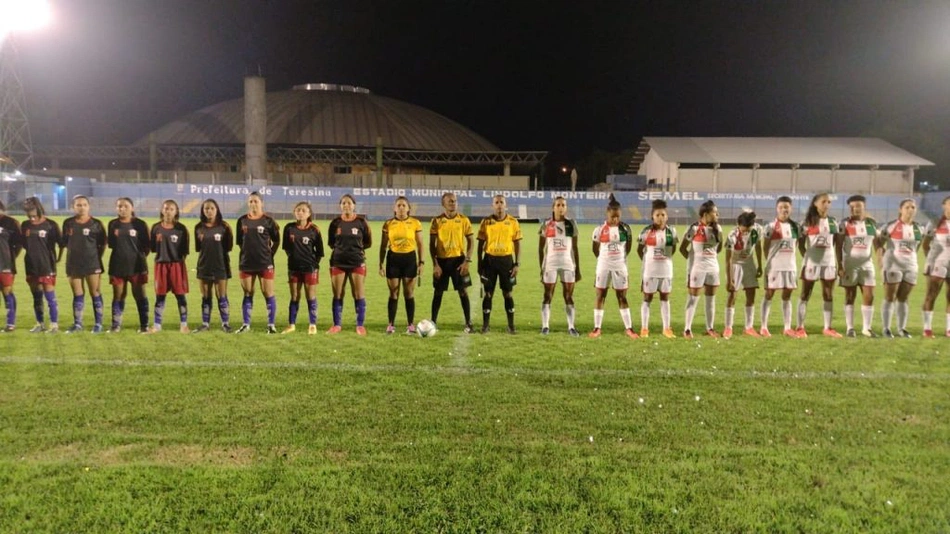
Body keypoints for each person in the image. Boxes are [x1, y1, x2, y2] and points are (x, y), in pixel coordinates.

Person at [589, 194, 637, 339]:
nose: (615, 219)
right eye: (612, 216)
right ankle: (597, 328)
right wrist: (604, 260)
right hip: (603, 266)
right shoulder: (599, 230)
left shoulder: (626, 229)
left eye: (617, 216)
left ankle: (629, 328)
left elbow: (628, 248)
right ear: (607, 213)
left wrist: (619, 260)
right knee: (600, 295)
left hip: (620, 266)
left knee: (622, 297)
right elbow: (594, 249)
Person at [58, 195, 107, 333]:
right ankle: (78, 324)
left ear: (88, 206)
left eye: (84, 205)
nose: (81, 207)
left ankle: (98, 323)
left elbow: (102, 243)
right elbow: (65, 242)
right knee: (77, 293)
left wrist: (96, 258)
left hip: (92, 263)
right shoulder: (68, 223)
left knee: (95, 292)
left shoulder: (96, 224)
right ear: (73, 207)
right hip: (73, 264)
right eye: (78, 205)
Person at [796, 192, 842, 338]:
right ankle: (800, 327)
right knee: (805, 294)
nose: (826, 204)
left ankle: (828, 327)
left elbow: (835, 243)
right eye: (823, 202)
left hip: (828, 263)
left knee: (828, 294)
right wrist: (808, 257)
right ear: (815, 204)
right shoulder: (807, 223)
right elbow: (801, 245)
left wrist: (836, 262)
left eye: (828, 202)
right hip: (811, 263)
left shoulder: (833, 222)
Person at [876, 198, 923, 338]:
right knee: (890, 297)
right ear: (900, 209)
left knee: (903, 298)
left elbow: (917, 247)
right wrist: (880, 260)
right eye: (907, 207)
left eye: (913, 207)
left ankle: (902, 329)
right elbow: (879, 243)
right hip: (892, 265)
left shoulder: (919, 228)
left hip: (911, 266)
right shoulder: (890, 226)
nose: (910, 210)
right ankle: (886, 328)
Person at [429, 192, 475, 333]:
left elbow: (471, 241)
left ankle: (468, 323)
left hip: (458, 261)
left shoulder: (463, 220)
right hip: (441, 262)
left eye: (454, 201)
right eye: (449, 201)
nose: (453, 203)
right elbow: (431, 244)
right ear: (443, 204)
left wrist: (467, 261)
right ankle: (433, 322)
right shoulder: (436, 221)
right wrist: (435, 264)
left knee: (463, 292)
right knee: (438, 292)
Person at [235, 191, 280, 334]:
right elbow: (239, 242)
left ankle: (271, 325)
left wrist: (270, 253)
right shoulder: (241, 221)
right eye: (251, 201)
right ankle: (246, 324)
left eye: (256, 201)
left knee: (268, 293)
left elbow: (277, 240)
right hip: (246, 263)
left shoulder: (268, 221)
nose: (253, 204)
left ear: (262, 203)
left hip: (265, 263)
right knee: (248, 292)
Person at [477, 194, 523, 334]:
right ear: (493, 205)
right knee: (488, 294)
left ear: (506, 205)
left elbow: (517, 243)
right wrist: (480, 263)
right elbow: (480, 244)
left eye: (501, 202)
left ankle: (511, 325)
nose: (499, 205)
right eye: (496, 202)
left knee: (508, 293)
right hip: (489, 261)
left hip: (507, 261)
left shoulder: (513, 222)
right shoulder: (486, 222)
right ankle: (485, 326)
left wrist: (517, 264)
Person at [327, 194, 372, 335]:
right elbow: (331, 242)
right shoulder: (335, 223)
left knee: (358, 293)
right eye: (344, 203)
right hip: (338, 262)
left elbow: (368, 241)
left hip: (357, 262)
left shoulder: (361, 222)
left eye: (349, 203)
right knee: (338, 294)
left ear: (354, 205)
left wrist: (356, 250)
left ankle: (360, 325)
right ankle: (337, 325)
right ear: (340, 206)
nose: (346, 205)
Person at [379, 196, 423, 334]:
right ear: (394, 208)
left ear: (409, 208)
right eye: (398, 205)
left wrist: (421, 262)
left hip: (410, 259)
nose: (401, 208)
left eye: (404, 205)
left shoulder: (415, 223)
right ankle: (391, 324)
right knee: (393, 292)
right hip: (393, 259)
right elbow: (383, 245)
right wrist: (380, 263)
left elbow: (420, 244)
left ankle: (410, 325)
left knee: (409, 292)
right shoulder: (388, 224)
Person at [836, 195, 878, 337]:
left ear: (864, 206)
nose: (854, 209)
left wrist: (881, 258)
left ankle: (867, 328)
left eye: (858, 206)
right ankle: (850, 328)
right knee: (850, 296)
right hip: (850, 265)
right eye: (852, 207)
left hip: (867, 265)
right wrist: (839, 266)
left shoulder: (872, 223)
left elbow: (877, 244)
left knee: (869, 295)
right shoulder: (844, 224)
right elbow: (838, 246)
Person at [680, 200, 723, 338]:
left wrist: (710, 257)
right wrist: (694, 262)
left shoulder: (718, 229)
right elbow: (682, 248)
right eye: (715, 212)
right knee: (693, 299)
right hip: (698, 269)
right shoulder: (693, 229)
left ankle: (710, 328)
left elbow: (719, 247)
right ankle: (687, 329)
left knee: (711, 300)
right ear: (706, 214)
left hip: (713, 269)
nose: (718, 215)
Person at [539, 196, 581, 336]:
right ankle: (545, 326)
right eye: (558, 205)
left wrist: (578, 268)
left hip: (568, 264)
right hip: (550, 264)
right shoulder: (546, 224)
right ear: (553, 207)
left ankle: (571, 327)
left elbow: (575, 248)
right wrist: (542, 267)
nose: (561, 207)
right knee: (547, 295)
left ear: (566, 207)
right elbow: (541, 248)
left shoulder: (571, 224)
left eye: (563, 205)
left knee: (568, 296)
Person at [107, 197, 150, 333]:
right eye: (119, 206)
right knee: (118, 295)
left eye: (126, 206)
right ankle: (116, 325)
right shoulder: (113, 224)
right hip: (117, 264)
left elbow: (147, 246)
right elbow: (112, 245)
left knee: (140, 295)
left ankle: (144, 325)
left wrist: (138, 257)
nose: (122, 209)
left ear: (132, 208)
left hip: (137, 266)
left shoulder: (140, 224)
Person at [761, 196, 801, 337]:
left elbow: (795, 246)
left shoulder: (796, 227)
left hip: (790, 267)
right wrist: (771, 262)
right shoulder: (770, 227)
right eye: (781, 207)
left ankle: (787, 327)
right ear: (776, 209)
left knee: (787, 296)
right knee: (769, 294)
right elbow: (765, 247)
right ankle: (764, 327)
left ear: (791, 208)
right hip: (774, 267)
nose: (784, 209)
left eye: (787, 207)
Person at [148, 199, 190, 333]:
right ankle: (157, 325)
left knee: (180, 296)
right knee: (160, 296)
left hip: (177, 266)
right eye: (166, 208)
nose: (168, 211)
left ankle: (184, 324)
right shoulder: (156, 228)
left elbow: (185, 250)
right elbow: (153, 248)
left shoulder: (181, 229)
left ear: (176, 211)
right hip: (160, 266)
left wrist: (176, 260)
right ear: (161, 210)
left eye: (171, 209)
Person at [282, 201, 324, 335]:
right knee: (294, 296)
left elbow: (320, 252)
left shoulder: (314, 229)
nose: (300, 212)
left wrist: (313, 264)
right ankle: (291, 325)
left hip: (310, 268)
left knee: (310, 296)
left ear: (309, 213)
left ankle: (312, 325)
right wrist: (294, 258)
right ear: (294, 212)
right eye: (298, 210)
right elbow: (286, 248)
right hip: (293, 268)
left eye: (303, 210)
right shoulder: (289, 228)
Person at [636, 199, 677, 338]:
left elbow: (673, 249)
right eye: (657, 215)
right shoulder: (646, 231)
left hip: (666, 271)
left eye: (663, 215)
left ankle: (666, 328)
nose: (660, 218)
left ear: (667, 216)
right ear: (652, 216)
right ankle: (644, 328)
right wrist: (648, 262)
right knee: (647, 298)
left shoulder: (672, 231)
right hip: (650, 271)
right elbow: (639, 249)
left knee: (665, 298)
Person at [20, 197, 61, 333]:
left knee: (50, 296)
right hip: (31, 265)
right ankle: (40, 323)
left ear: (37, 207)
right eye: (27, 211)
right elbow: (24, 244)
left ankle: (54, 325)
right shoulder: (25, 225)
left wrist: (58, 259)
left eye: (31, 209)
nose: (29, 213)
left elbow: (60, 244)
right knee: (36, 295)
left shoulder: (50, 224)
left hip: (46, 265)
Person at [193, 198, 233, 332]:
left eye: (212, 208)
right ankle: (205, 324)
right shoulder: (198, 227)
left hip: (220, 265)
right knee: (205, 297)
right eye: (206, 209)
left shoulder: (224, 226)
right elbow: (199, 248)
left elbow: (228, 246)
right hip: (204, 265)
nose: (209, 211)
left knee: (221, 296)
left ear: (217, 210)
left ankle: (225, 324)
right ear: (203, 211)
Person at [724, 211, 763, 339]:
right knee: (733, 295)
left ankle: (749, 327)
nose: (746, 232)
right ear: (738, 225)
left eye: (748, 229)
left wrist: (760, 265)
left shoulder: (757, 230)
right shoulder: (732, 235)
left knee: (751, 295)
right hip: (735, 264)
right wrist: (729, 280)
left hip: (749, 263)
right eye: (744, 229)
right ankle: (728, 327)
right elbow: (728, 259)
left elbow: (758, 246)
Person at [922, 195, 950, 338]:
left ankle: (948, 329)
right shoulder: (935, 223)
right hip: (938, 263)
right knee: (931, 294)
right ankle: (927, 329)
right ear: (943, 206)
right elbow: (925, 244)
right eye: (949, 204)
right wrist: (930, 261)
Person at [0, 200, 22, 332]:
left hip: (5, 264)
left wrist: (10, 257)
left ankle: (10, 323)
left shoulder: (11, 222)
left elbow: (18, 243)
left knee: (7, 291)